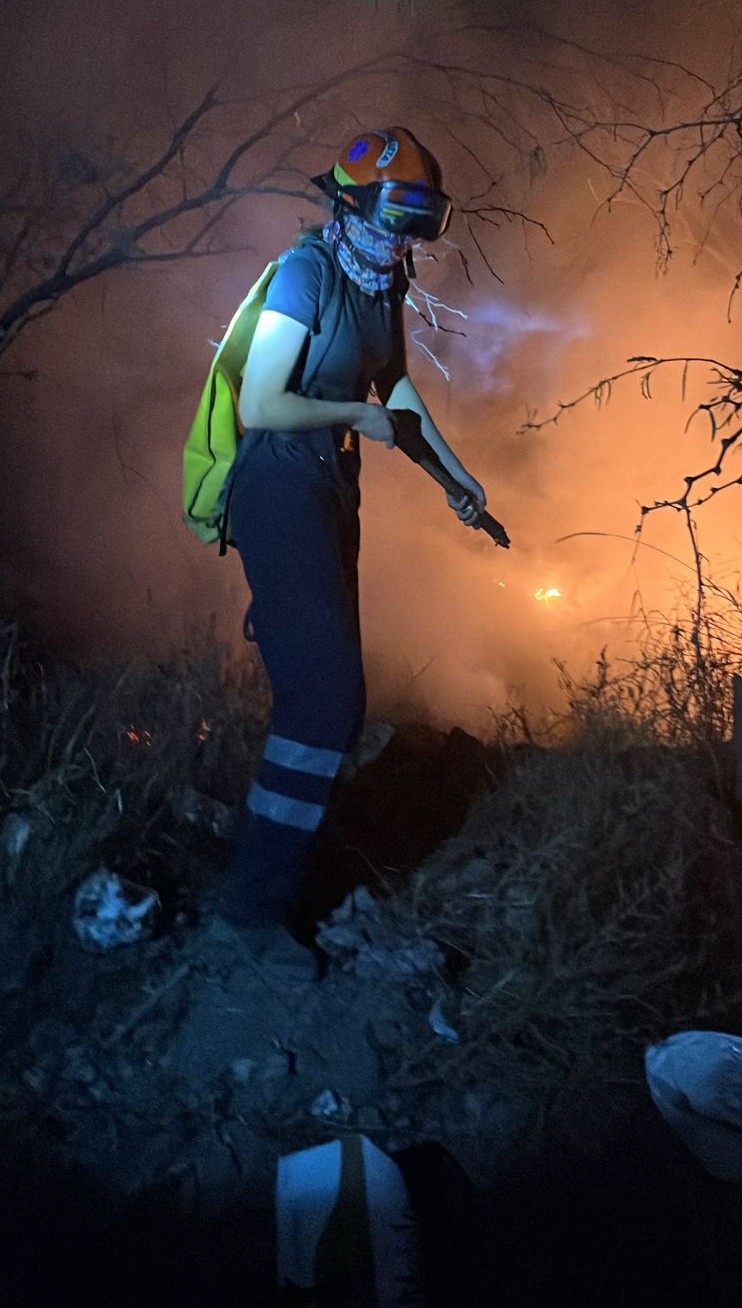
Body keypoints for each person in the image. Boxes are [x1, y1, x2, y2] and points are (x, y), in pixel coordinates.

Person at [214, 126, 487, 933]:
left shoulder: (381, 284)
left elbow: (395, 388)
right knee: (326, 699)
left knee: (326, 698)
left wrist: (453, 476)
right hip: (278, 484)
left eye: (423, 217)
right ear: (353, 201)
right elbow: (260, 403)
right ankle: (253, 913)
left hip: (330, 484)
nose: (407, 234)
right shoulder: (308, 272)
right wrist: (350, 413)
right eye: (398, 211)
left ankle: (282, 854)